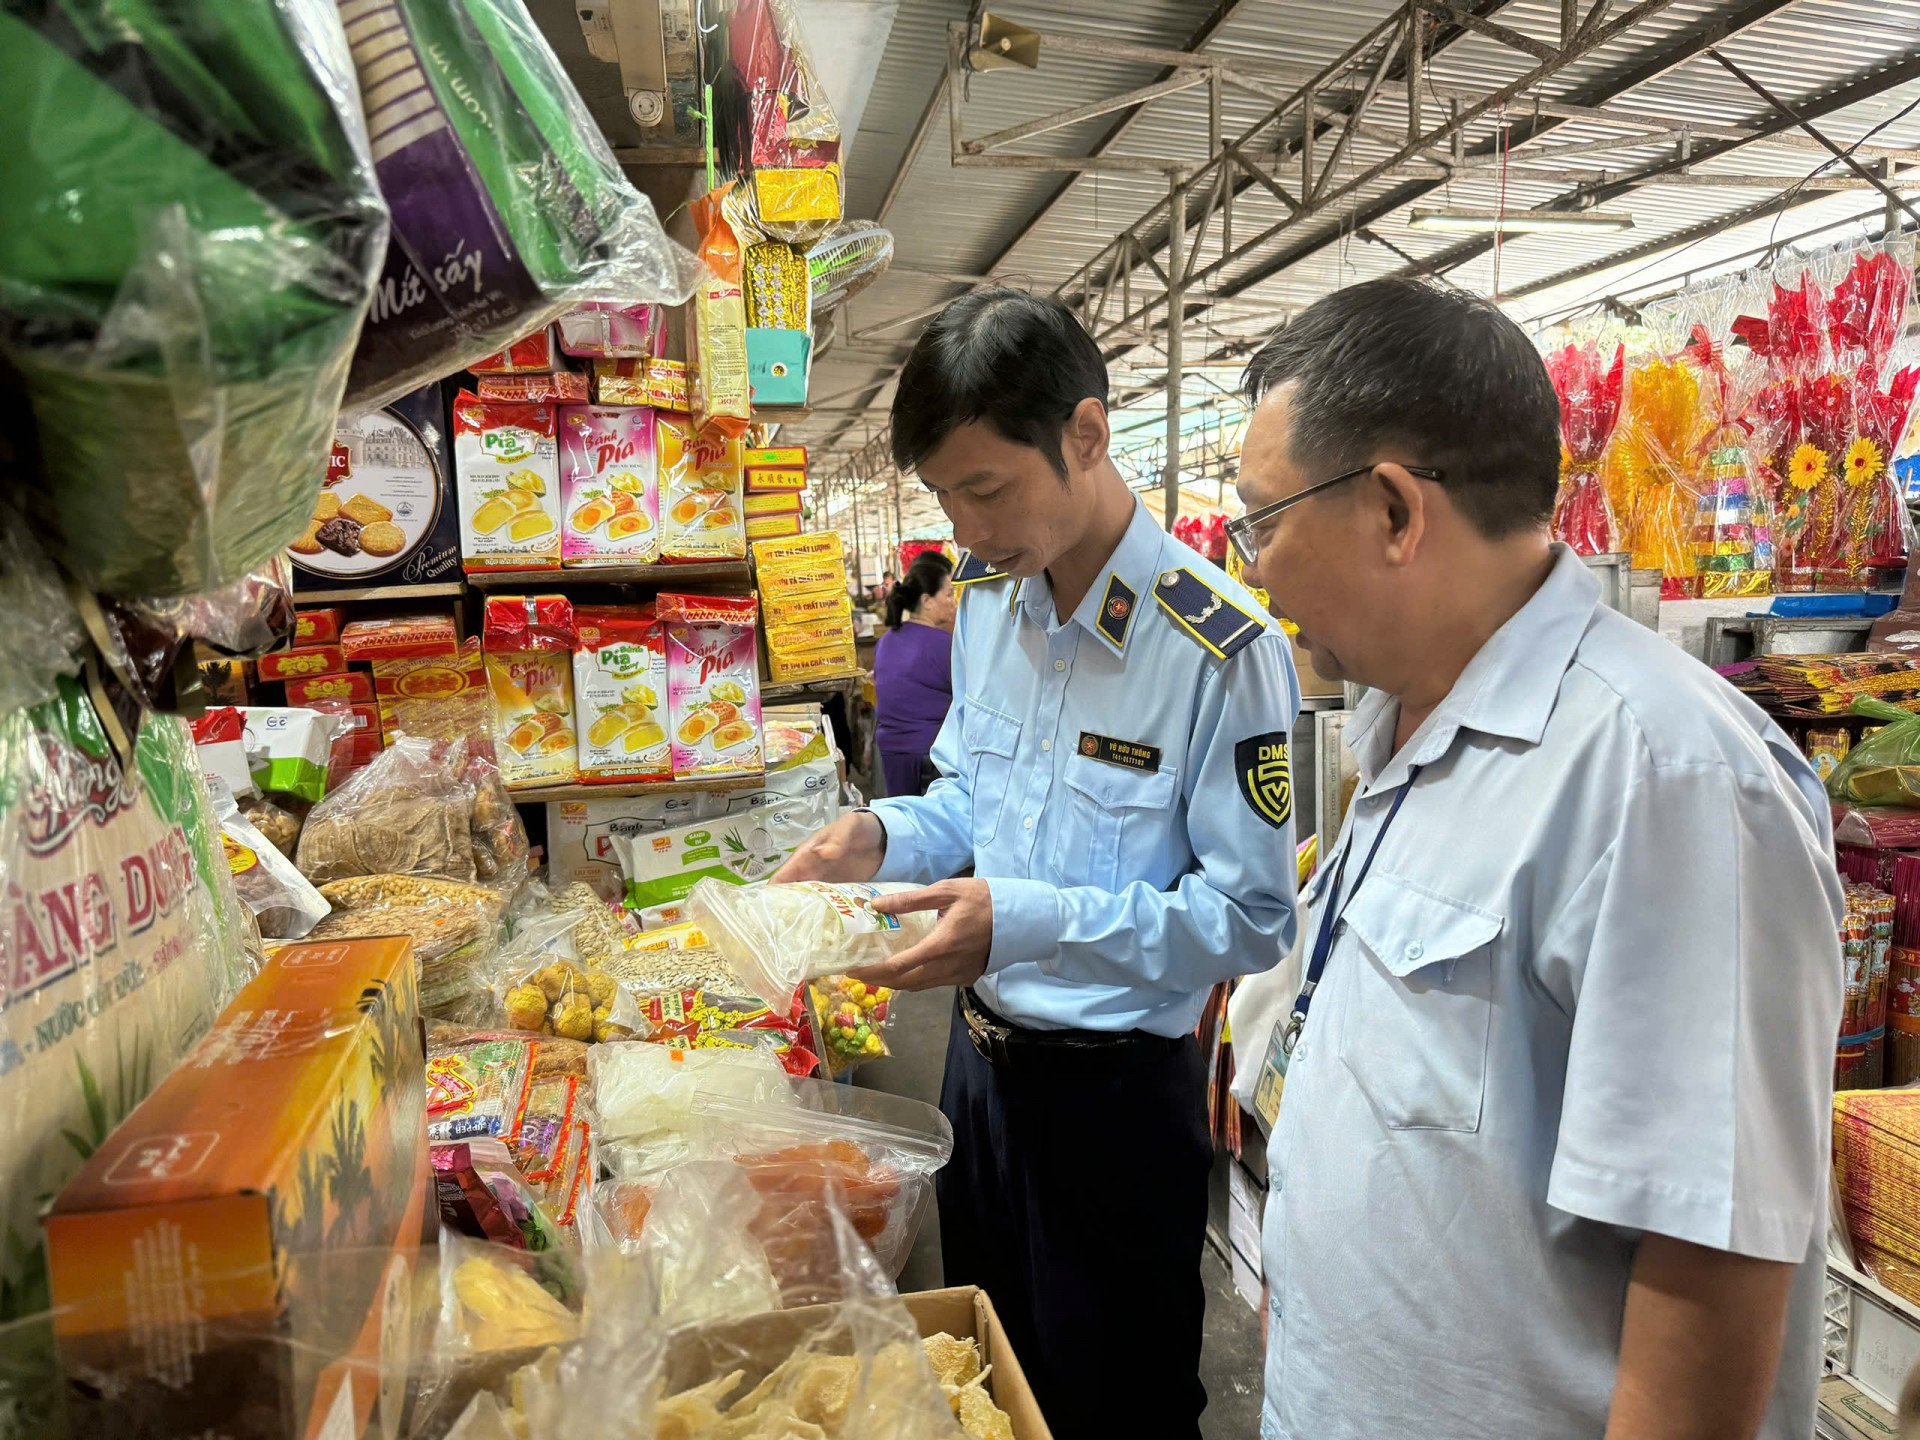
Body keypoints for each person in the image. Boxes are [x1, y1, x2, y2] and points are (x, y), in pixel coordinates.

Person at [1231, 276, 1842, 1440]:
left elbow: (1706, 1273)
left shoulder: (1663, 778)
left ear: (1396, 511)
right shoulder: (1405, 720)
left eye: (1263, 520)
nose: (1253, 566)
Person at [774, 288, 1300, 1440]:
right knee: (993, 1378)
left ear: (1086, 436)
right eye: (947, 497)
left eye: (986, 489)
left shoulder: (1217, 646)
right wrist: (879, 837)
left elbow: (1252, 914)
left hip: (1116, 1103)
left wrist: (1025, 920)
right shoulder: (990, 607)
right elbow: (970, 797)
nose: (964, 528)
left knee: (1119, 1399)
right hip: (980, 1076)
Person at [873, 550, 956, 798]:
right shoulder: (942, 644)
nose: (953, 601)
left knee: (905, 824)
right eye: (949, 594)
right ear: (927, 601)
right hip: (929, 755)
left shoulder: (888, 639)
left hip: (891, 755)